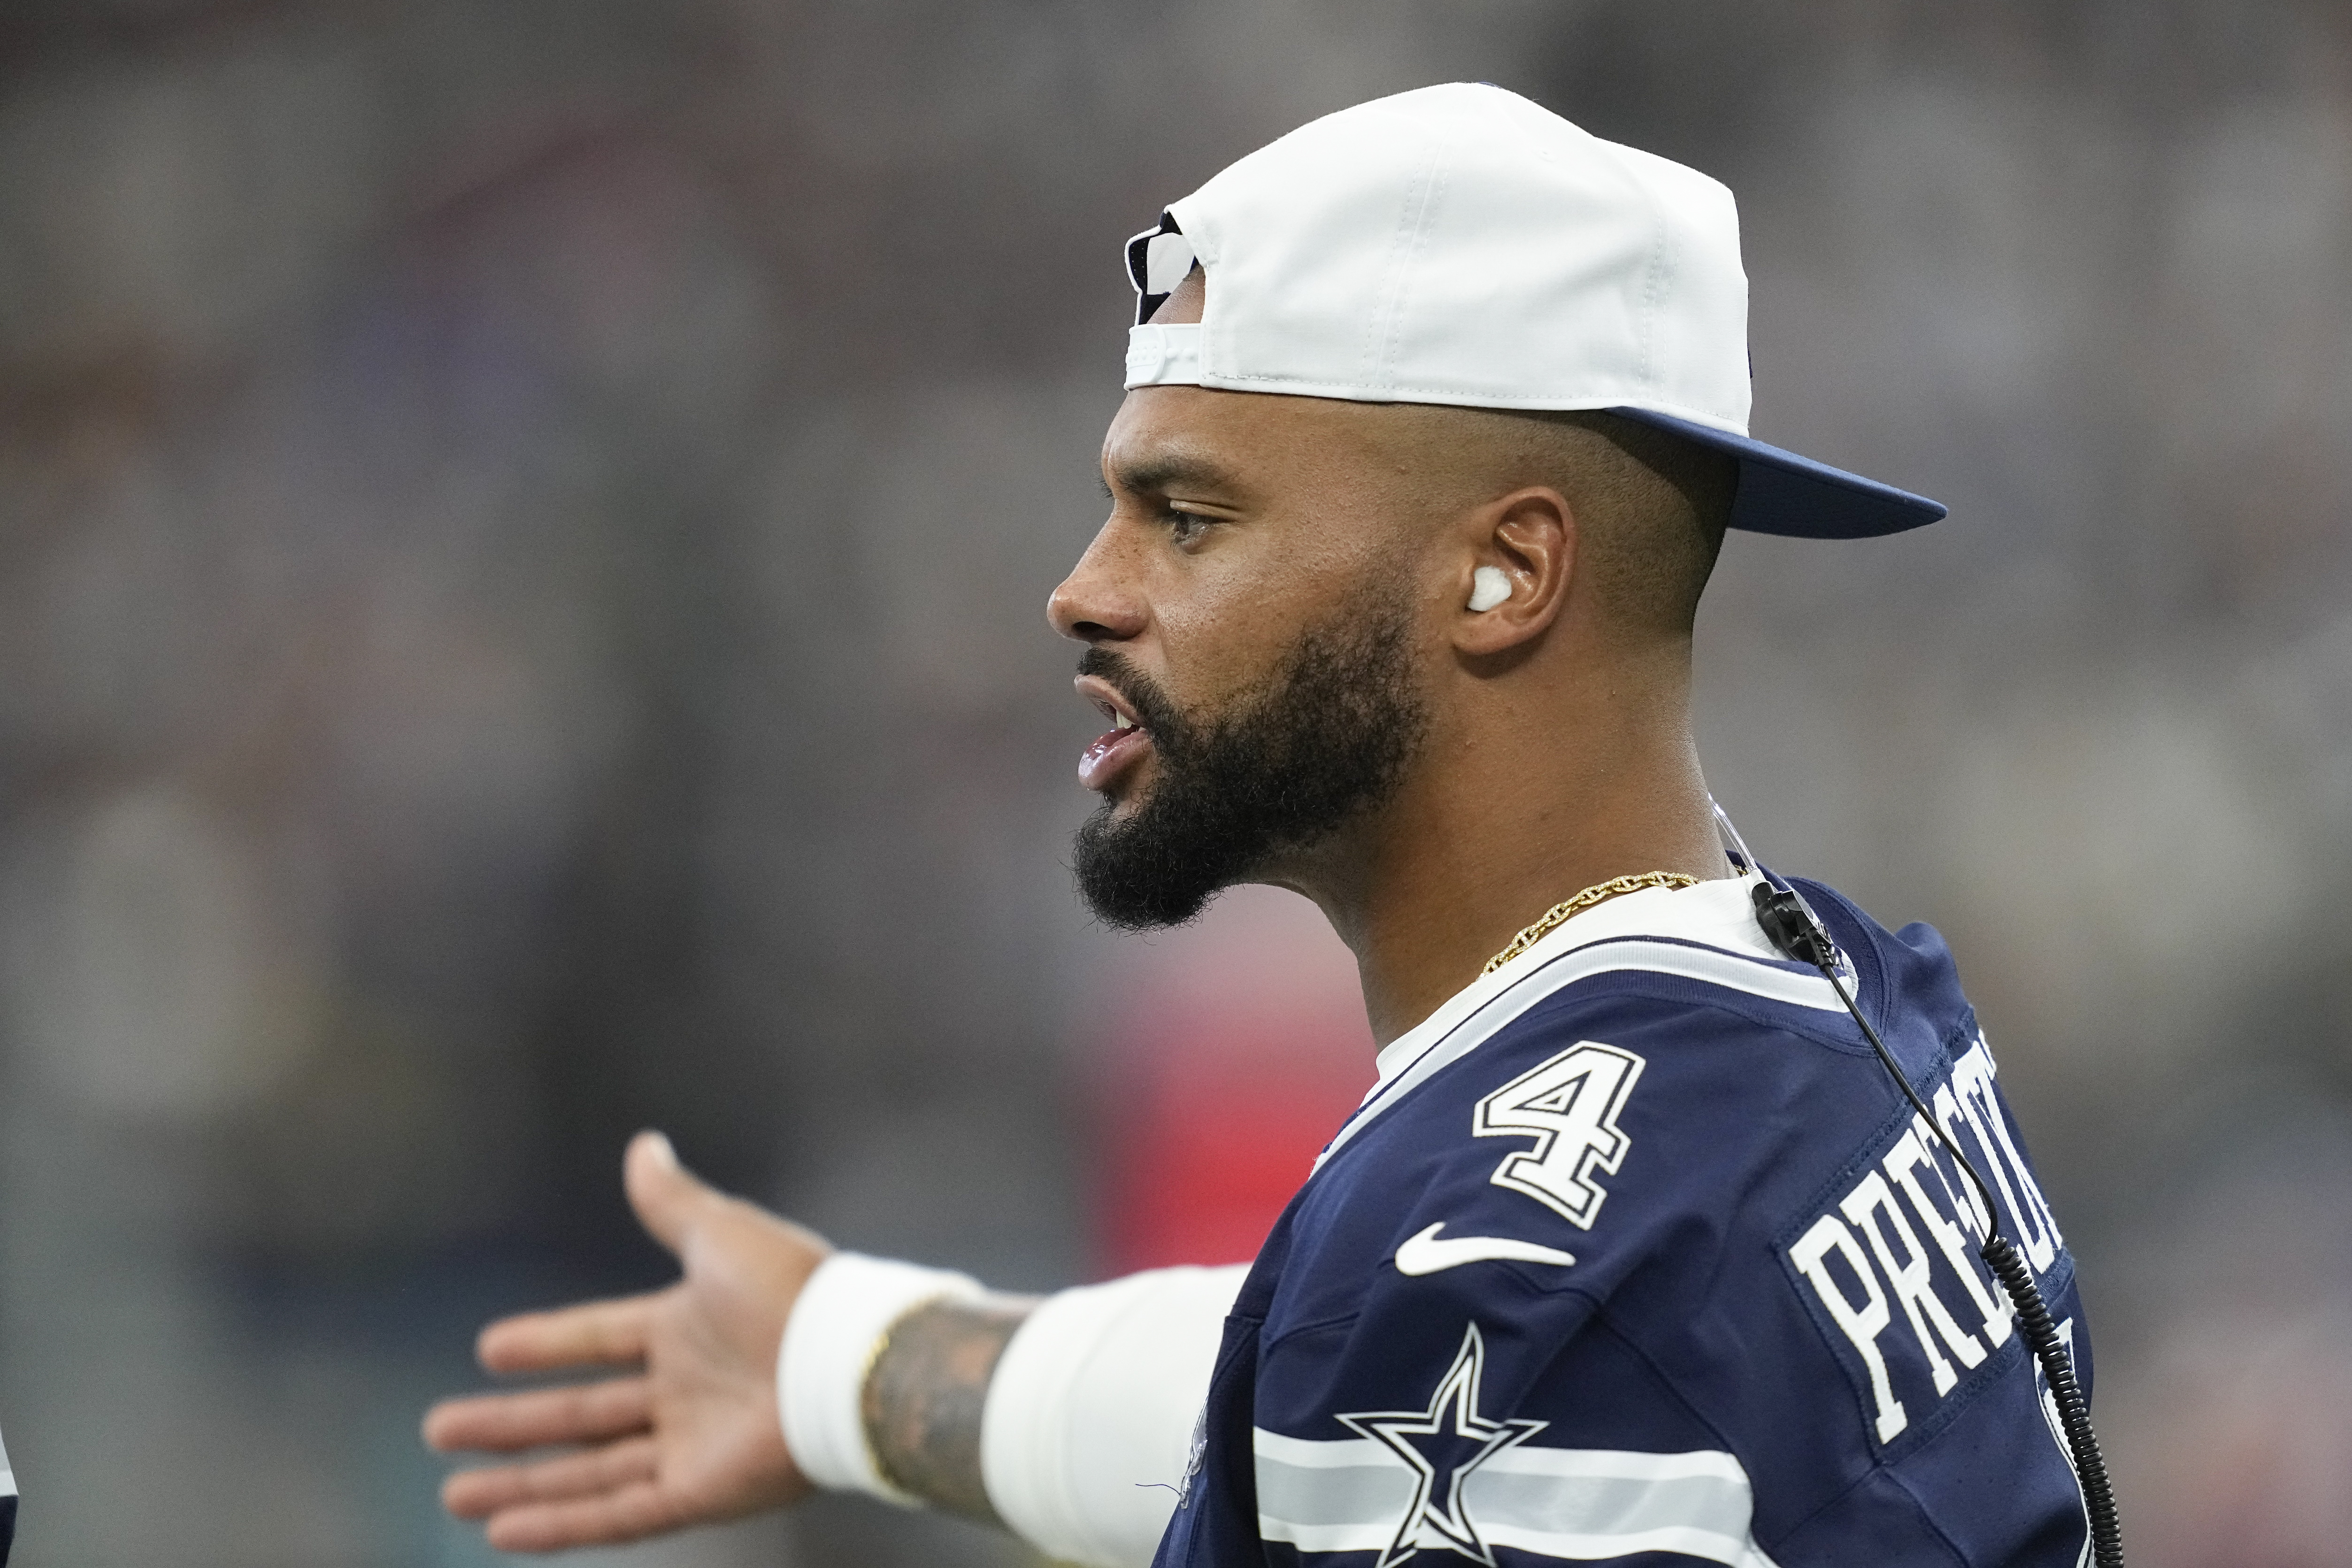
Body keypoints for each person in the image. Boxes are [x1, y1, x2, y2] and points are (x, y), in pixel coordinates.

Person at [426, 84, 2098, 1567]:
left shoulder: (1512, 1276)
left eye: (1190, 515)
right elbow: (1303, 1385)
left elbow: (1430, 1359)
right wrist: (834, 1358)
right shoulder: (1838, 1010)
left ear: (1502, 571)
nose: (1084, 592)